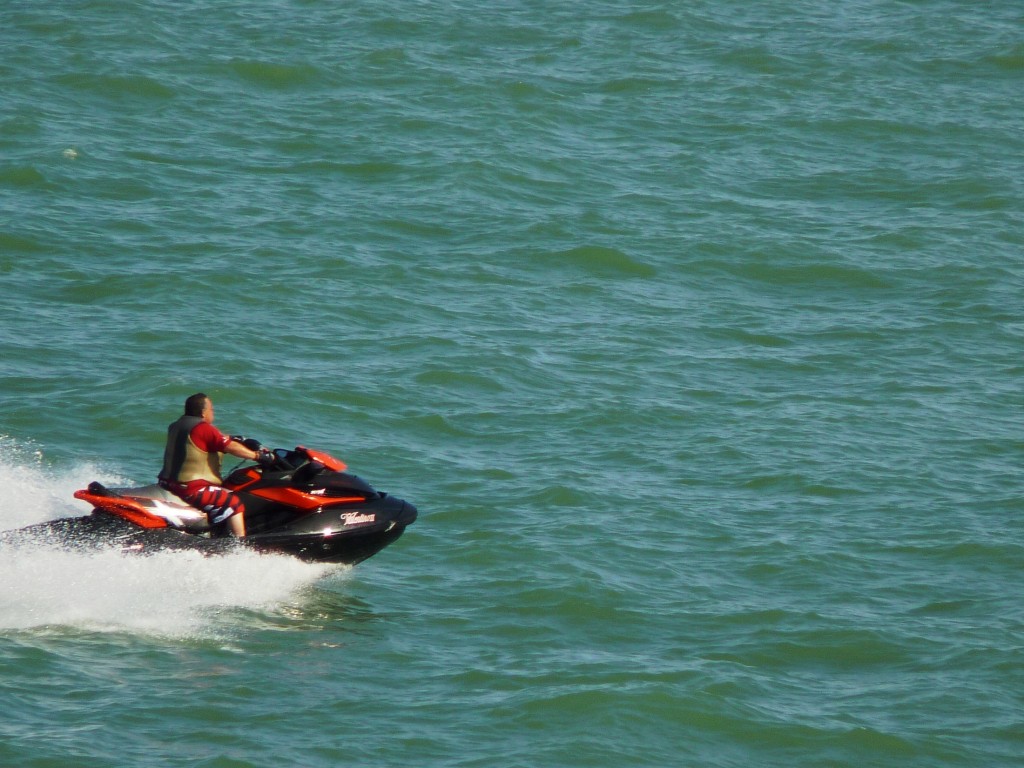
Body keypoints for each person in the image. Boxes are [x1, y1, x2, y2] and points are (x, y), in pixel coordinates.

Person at [158, 393, 268, 537]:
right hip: (192, 488)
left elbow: (207, 440)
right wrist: (258, 456)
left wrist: (233, 438)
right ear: (203, 412)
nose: (213, 412)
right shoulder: (202, 428)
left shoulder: (176, 426)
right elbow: (229, 446)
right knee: (233, 504)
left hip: (167, 484)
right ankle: (240, 548)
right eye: (212, 410)